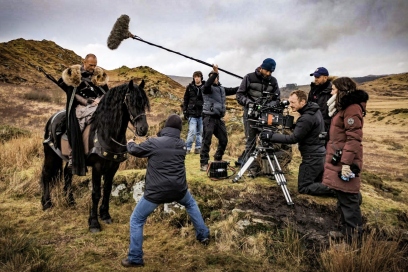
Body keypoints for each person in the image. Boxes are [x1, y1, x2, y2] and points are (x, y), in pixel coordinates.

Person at [122, 114, 210, 268]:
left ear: (165, 127)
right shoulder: (182, 144)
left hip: (155, 193)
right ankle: (203, 235)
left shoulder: (154, 143)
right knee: (191, 204)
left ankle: (135, 258)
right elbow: (163, 147)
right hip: (179, 190)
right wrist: (152, 142)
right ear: (178, 129)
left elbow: (135, 151)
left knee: (136, 220)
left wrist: (130, 143)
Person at [260, 90, 335, 196]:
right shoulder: (314, 110)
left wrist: (271, 136)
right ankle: (335, 188)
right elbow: (307, 129)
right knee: (316, 183)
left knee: (304, 187)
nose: (290, 105)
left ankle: (339, 191)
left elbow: (293, 139)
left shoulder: (306, 118)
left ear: (303, 102)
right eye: (289, 102)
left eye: (293, 102)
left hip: (312, 158)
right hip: (319, 155)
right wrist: (295, 126)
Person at [322, 77, 369, 242]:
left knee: (349, 200)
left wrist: (347, 164)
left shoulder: (352, 108)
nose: (331, 92)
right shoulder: (343, 108)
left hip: (346, 161)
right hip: (339, 159)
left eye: (334, 89)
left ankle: (354, 241)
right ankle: (346, 233)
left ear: (342, 90)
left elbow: (354, 138)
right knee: (342, 196)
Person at [58, 53, 109, 175]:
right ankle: (73, 152)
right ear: (84, 62)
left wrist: (99, 100)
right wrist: (88, 101)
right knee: (79, 123)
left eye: (95, 65)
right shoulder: (74, 76)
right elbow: (73, 94)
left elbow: (105, 92)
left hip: (97, 105)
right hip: (81, 106)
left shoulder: (98, 76)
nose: (93, 67)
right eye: (91, 65)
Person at [236, 58, 280, 167]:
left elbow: (277, 98)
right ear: (261, 67)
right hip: (250, 113)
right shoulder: (249, 77)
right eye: (267, 71)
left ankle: (265, 167)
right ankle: (250, 168)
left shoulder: (273, 81)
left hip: (266, 115)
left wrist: (269, 105)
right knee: (250, 141)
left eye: (271, 72)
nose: (269, 73)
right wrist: (250, 103)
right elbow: (239, 95)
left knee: (267, 140)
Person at [200, 64, 239, 171]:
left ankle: (217, 158)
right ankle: (203, 163)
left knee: (224, 139)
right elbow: (207, 84)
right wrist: (215, 72)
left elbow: (233, 90)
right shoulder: (206, 88)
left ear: (218, 79)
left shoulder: (222, 89)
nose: (214, 79)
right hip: (208, 117)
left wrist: (245, 84)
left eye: (216, 77)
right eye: (212, 77)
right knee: (206, 140)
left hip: (218, 118)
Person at [183, 71, 204, 154]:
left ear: (201, 77)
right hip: (192, 113)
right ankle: (188, 148)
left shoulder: (205, 87)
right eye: (195, 77)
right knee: (192, 131)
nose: (196, 78)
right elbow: (186, 100)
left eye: (198, 76)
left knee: (200, 132)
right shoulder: (189, 87)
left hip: (202, 113)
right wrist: (185, 110)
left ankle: (198, 148)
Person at [308, 67, 333, 133]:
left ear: (325, 77)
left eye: (318, 77)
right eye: (315, 77)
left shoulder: (332, 92)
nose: (315, 79)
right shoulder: (313, 91)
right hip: (313, 126)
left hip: (327, 128)